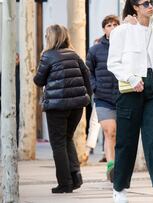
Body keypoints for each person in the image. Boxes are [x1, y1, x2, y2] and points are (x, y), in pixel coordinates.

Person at [107, 1, 153, 203]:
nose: (150, 5)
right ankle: (119, 189)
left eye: (152, 2)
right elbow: (112, 62)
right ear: (135, 7)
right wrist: (130, 77)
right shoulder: (122, 31)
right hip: (130, 89)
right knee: (126, 142)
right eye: (145, 3)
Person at [33, 24, 92, 193]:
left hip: (57, 107)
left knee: (58, 143)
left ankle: (65, 184)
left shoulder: (48, 56)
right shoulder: (75, 55)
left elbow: (39, 81)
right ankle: (75, 178)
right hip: (77, 106)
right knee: (67, 139)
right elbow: (87, 76)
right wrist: (86, 98)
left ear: (50, 38)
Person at [86, 14, 120, 182]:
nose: (112, 28)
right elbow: (88, 72)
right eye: (109, 25)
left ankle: (119, 165)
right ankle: (111, 166)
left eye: (115, 24)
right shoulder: (95, 50)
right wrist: (95, 87)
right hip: (103, 98)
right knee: (109, 132)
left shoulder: (125, 47)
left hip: (123, 97)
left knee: (120, 135)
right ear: (104, 29)